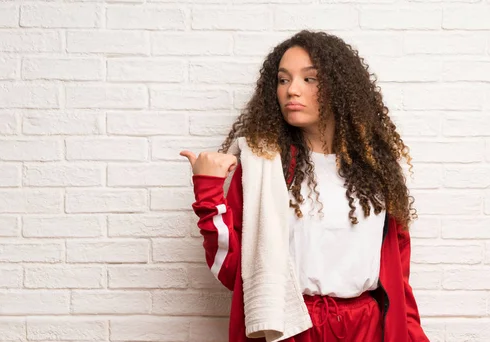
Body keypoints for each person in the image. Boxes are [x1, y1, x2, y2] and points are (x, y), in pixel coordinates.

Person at [180, 30, 429, 342]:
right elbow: (233, 272)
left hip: (366, 329)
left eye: (309, 79)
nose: (291, 90)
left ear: (340, 88)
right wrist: (209, 190)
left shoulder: (375, 171)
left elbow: (399, 282)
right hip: (291, 328)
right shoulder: (263, 167)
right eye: (283, 80)